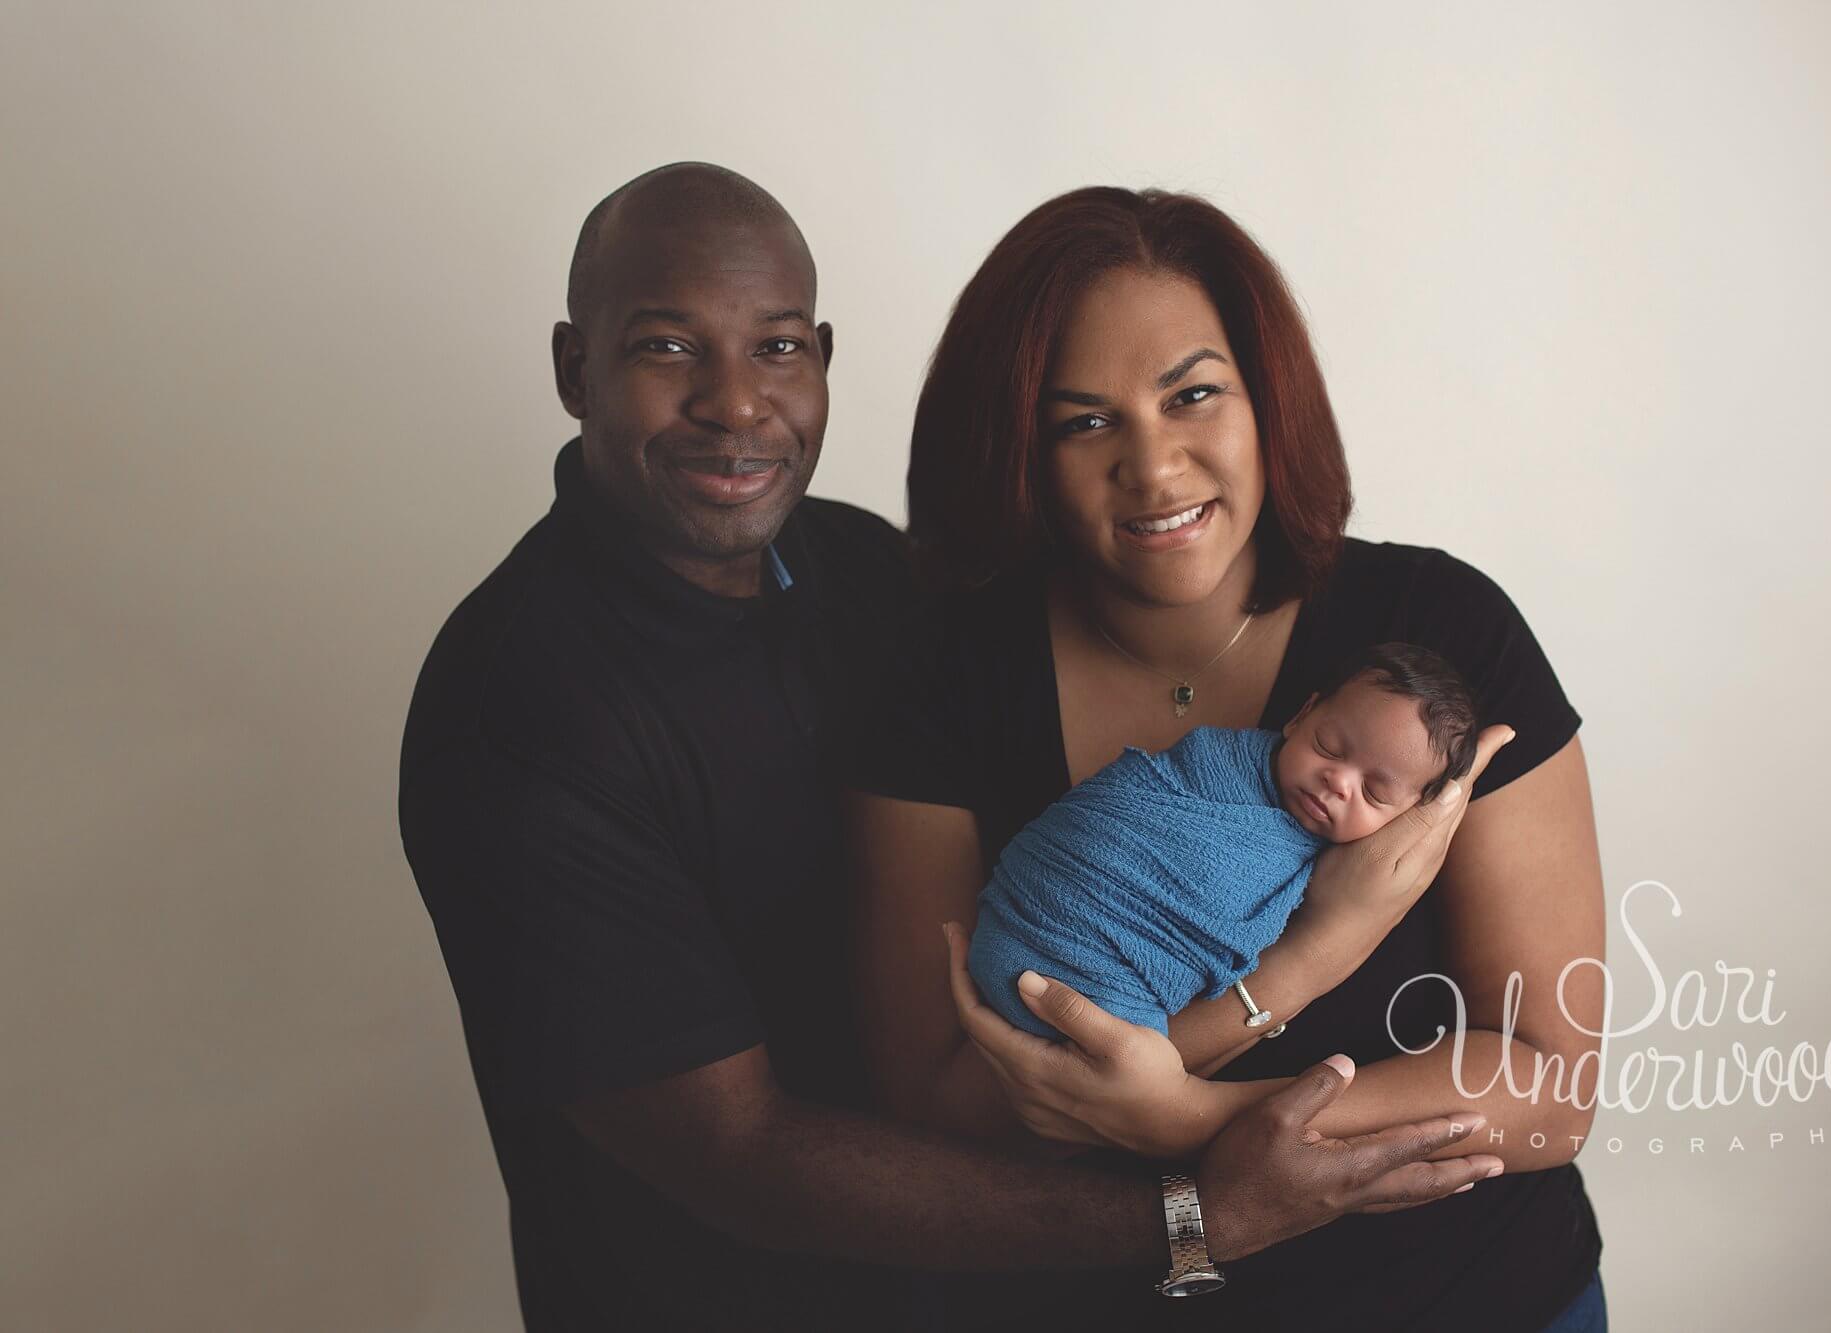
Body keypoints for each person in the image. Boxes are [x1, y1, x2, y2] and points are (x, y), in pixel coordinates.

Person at [397, 163, 1508, 1330]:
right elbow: (736, 1147)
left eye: (776, 348)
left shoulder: (871, 577)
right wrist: (1189, 1212)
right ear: (577, 367)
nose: (735, 403)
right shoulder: (519, 711)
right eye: (667, 348)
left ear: (820, 356)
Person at [846, 186, 1610, 1330]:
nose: (1153, 471)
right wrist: (1304, 961)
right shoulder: (938, 673)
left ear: (1268, 401)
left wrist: (1188, 1120)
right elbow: (935, 1100)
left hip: (1477, 1300)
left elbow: (1549, 1090)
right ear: (1020, 446)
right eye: (1083, 421)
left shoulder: (1439, 636)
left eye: (1192, 394)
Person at [969, 642, 1478, 1039]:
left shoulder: (1346, 868)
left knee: (1127, 1058)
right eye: (1328, 746)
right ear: (1302, 717)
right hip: (1025, 918)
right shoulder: (1211, 762)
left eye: (1374, 791)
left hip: (1096, 996)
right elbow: (1114, 825)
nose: (1338, 782)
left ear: (1410, 816)